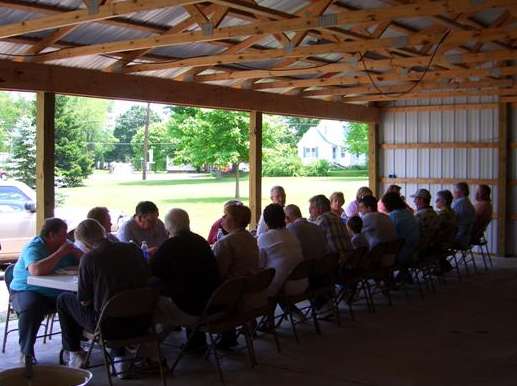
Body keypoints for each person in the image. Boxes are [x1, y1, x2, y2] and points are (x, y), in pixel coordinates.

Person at [57, 219, 149, 371]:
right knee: (115, 303)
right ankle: (120, 358)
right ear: (103, 232)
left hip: (109, 327)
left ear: (84, 243)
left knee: (64, 299)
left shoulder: (90, 259)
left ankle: (74, 352)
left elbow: (84, 300)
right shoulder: (133, 249)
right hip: (143, 321)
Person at [9, 218, 82, 362]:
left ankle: (72, 349)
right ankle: (26, 353)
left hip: (56, 291)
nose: (66, 238)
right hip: (27, 289)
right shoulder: (34, 247)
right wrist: (60, 253)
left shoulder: (66, 245)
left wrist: (77, 253)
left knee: (73, 301)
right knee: (32, 306)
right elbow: (36, 270)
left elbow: (86, 263)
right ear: (50, 235)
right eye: (62, 235)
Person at [151, 209, 219, 352]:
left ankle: (147, 350)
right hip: (211, 306)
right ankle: (196, 342)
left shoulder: (170, 245)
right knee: (191, 287)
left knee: (150, 300)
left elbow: (152, 271)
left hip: (190, 310)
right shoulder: (201, 241)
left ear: (168, 226)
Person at [258, 204, 307, 297]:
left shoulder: (264, 237)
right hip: (302, 282)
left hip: (282, 287)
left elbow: (259, 264)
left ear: (266, 221)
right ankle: (292, 311)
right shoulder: (291, 234)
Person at [213, 204, 259, 281]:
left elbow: (217, 273)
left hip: (230, 288)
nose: (222, 217)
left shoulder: (225, 243)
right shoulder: (251, 239)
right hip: (250, 286)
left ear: (235, 220)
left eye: (226, 215)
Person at [309, 194, 352, 263]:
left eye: (311, 208)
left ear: (319, 209)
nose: (309, 211)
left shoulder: (322, 220)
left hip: (337, 265)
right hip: (349, 261)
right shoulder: (338, 218)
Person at [382, 192, 420, 266]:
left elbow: (388, 236)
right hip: (415, 249)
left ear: (389, 204)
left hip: (403, 253)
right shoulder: (408, 212)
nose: (383, 207)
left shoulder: (393, 216)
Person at [435, 190, 458, 273]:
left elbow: (434, 230)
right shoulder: (452, 212)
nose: (435, 201)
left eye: (438, 200)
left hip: (442, 244)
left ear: (444, 201)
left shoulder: (443, 214)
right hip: (449, 241)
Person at [452, 182, 476, 249]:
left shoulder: (460, 204)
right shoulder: (467, 203)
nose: (453, 193)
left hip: (459, 239)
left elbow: (451, 220)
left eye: (455, 191)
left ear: (461, 192)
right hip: (466, 238)